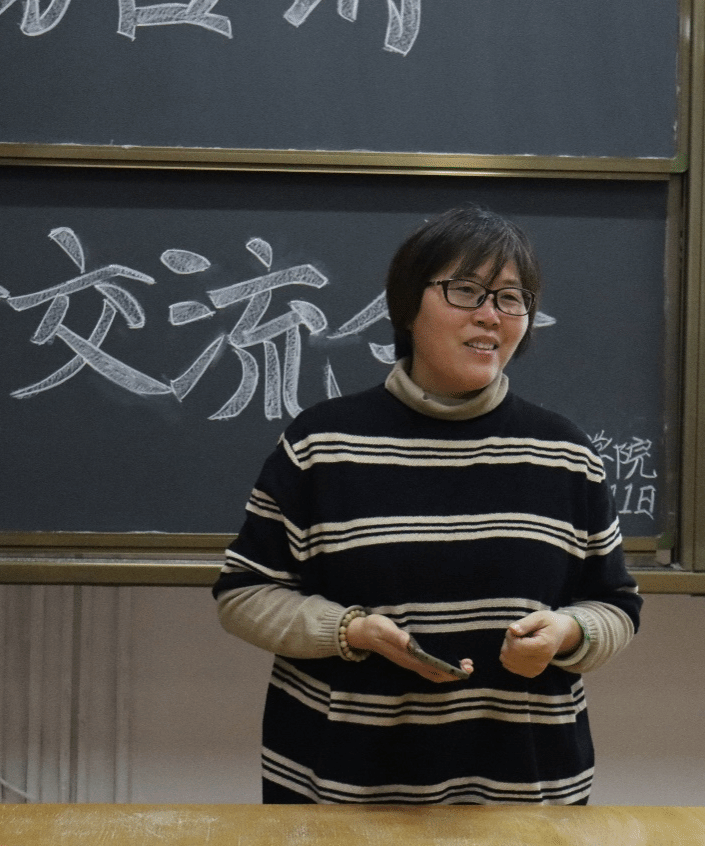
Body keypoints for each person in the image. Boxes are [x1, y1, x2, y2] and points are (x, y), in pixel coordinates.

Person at [212, 205, 642, 805]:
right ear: (407, 306)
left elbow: (616, 604)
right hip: (343, 790)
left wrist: (569, 633)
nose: (491, 315)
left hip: (522, 792)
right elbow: (243, 594)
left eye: (511, 298)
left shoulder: (563, 453)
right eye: (465, 291)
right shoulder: (323, 444)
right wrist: (350, 631)